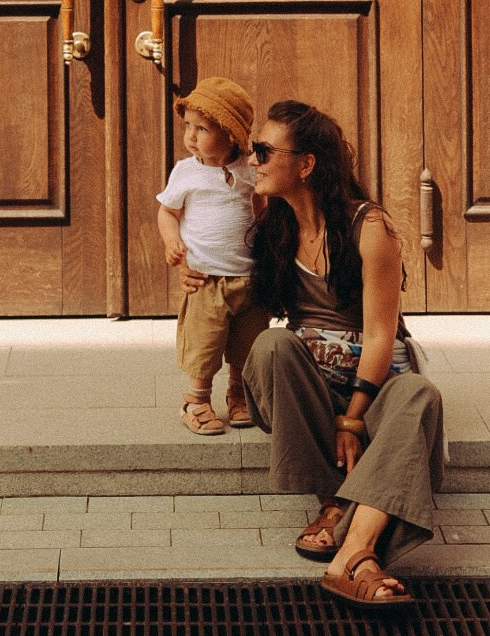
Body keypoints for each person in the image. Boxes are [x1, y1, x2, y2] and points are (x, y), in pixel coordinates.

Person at [230, 100, 444, 613]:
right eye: (252, 150)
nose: (253, 160)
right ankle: (336, 503)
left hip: (371, 385)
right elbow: (249, 317)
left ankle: (353, 551)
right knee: (273, 345)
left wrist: (352, 420)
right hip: (307, 386)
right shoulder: (273, 228)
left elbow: (379, 336)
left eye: (263, 150)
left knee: (420, 392)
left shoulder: (369, 228)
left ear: (306, 164)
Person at [156, 76, 269, 434]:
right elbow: (167, 211)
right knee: (204, 346)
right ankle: (197, 399)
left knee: (245, 345)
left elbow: (263, 206)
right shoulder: (186, 172)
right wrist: (171, 241)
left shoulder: (249, 171)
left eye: (201, 128)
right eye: (187, 125)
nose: (190, 136)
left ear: (232, 134)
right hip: (205, 278)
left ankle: (238, 394)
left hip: (248, 277)